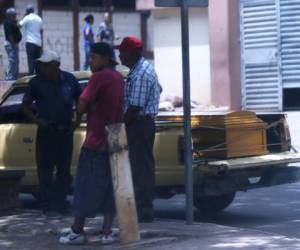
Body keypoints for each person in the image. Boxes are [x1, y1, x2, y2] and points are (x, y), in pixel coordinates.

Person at [59, 42, 124, 245]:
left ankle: (77, 230)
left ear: (105, 59)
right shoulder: (118, 77)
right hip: (116, 136)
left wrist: (89, 104)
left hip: (96, 140)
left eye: (94, 57)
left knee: (85, 186)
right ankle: (106, 231)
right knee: (110, 188)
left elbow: (80, 106)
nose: (91, 60)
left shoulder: (98, 77)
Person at [22, 50, 81, 217]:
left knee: (64, 170)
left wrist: (78, 120)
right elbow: (25, 105)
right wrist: (36, 120)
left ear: (56, 65)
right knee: (45, 171)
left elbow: (81, 100)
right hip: (46, 131)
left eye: (45, 65)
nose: (42, 68)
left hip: (65, 132)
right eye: (41, 65)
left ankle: (61, 204)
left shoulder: (69, 80)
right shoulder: (36, 82)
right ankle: (48, 207)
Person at [116, 36, 162, 222]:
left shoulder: (142, 72)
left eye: (123, 53)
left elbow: (135, 107)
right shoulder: (139, 69)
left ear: (133, 53)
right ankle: (141, 206)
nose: (120, 56)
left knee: (141, 167)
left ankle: (144, 208)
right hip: (140, 122)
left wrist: (119, 127)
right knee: (138, 166)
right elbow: (159, 88)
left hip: (139, 123)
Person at [19, 4, 43, 75]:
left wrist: (24, 17)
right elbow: (41, 31)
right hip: (38, 43)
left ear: (27, 11)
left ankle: (31, 75)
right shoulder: (39, 18)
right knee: (38, 60)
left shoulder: (27, 18)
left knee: (31, 60)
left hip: (30, 42)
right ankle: (38, 75)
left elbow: (19, 25)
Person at [3, 8, 22, 80]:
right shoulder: (8, 22)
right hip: (11, 44)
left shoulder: (12, 22)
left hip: (14, 43)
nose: (15, 16)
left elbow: (16, 30)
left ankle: (14, 77)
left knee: (16, 61)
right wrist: (13, 43)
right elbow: (10, 34)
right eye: (14, 14)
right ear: (10, 15)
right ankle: (9, 77)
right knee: (12, 61)